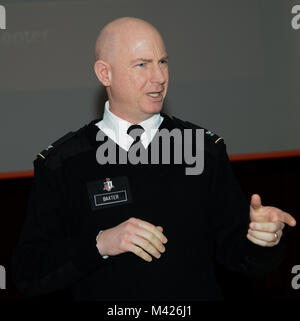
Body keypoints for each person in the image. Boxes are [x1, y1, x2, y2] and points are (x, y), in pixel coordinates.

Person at [12, 17, 296, 301]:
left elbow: (242, 257)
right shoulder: (63, 163)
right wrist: (101, 243)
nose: (159, 77)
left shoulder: (203, 150)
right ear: (104, 74)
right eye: (142, 64)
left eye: (163, 62)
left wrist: (262, 239)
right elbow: (29, 273)